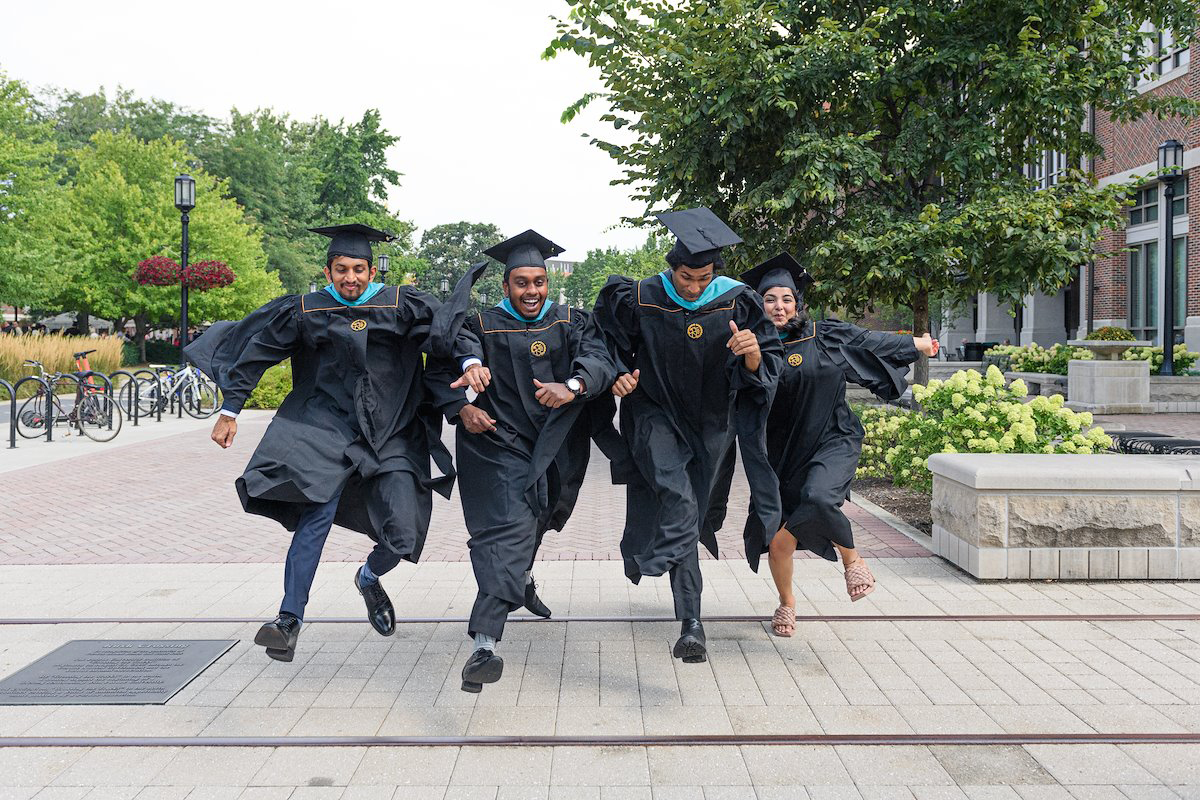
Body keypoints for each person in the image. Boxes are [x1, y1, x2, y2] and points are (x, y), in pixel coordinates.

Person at [186, 223, 486, 662]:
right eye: (342, 270)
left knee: (402, 534)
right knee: (315, 516)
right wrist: (230, 409)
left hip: (392, 429)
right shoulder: (308, 310)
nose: (351, 279)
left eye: (359, 269)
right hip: (323, 426)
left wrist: (471, 359)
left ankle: (368, 576)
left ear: (371, 269)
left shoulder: (401, 304)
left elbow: (447, 333)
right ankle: (289, 619)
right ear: (328, 271)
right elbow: (258, 352)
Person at [591, 207, 783, 663]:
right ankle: (690, 618)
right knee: (678, 502)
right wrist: (618, 373)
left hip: (713, 424)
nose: (694, 287)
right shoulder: (639, 295)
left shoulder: (737, 300)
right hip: (654, 414)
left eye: (702, 277)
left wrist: (752, 353)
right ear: (670, 265)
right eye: (685, 277)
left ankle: (687, 616)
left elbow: (766, 368)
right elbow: (603, 342)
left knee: (691, 512)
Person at [431, 230, 617, 692]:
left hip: (555, 448)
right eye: (521, 282)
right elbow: (454, 357)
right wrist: (464, 402)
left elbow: (598, 359)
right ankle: (484, 646)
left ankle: (524, 577)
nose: (531, 291)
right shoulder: (482, 324)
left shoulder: (572, 321)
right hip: (498, 446)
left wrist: (572, 387)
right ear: (506, 285)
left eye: (538, 282)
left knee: (540, 518)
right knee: (508, 534)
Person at [739, 253, 938, 637]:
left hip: (834, 438)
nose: (779, 307)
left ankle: (853, 560)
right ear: (757, 303)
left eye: (786, 300)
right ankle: (787, 604)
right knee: (779, 540)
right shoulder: (752, 346)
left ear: (797, 303)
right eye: (769, 299)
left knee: (817, 496)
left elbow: (869, 340)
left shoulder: (824, 335)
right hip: (783, 452)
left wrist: (918, 344)